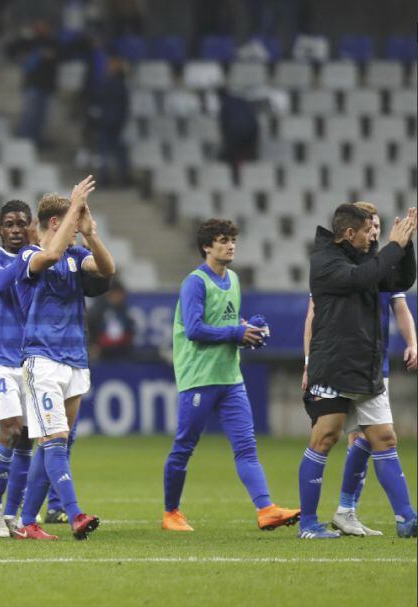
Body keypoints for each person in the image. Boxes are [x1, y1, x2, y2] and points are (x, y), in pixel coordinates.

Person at [162, 219, 301, 532]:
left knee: (246, 447)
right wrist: (236, 333)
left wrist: (248, 329)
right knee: (184, 447)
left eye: (233, 240)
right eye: (223, 240)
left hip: (230, 377)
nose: (230, 245)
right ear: (207, 247)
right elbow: (195, 329)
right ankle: (171, 513)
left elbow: (227, 320)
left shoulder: (234, 279)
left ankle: (266, 509)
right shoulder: (195, 283)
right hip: (198, 377)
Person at [299, 203, 417, 539]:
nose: (374, 236)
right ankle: (309, 524)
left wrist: (405, 247)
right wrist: (393, 246)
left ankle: (407, 519)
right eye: (368, 231)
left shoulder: (369, 257)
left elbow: (400, 280)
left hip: (366, 367)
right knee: (325, 438)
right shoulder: (324, 261)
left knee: (384, 438)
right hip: (334, 364)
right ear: (349, 233)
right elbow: (360, 279)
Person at [14, 178, 113, 541]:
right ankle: (75, 514)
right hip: (42, 359)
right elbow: (50, 255)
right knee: (55, 438)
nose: (75, 231)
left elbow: (107, 269)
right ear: (55, 224)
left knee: (55, 442)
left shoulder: (75, 254)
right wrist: (73, 208)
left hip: (75, 359)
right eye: (71, 224)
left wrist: (90, 234)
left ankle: (26, 522)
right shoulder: (28, 256)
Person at [0, 200, 36, 537]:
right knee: (11, 430)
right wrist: (29, 257)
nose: (16, 230)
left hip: (31, 359)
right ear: (0, 229)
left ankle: (13, 514)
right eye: (10, 224)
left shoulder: (36, 260)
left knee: (28, 440)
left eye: (22, 224)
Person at [6, 19, 61, 145]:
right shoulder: (29, 41)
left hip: (47, 83)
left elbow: (61, 55)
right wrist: (20, 58)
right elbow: (11, 49)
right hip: (32, 83)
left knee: (42, 115)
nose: (42, 28)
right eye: (40, 26)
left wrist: (52, 55)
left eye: (45, 26)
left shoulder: (53, 42)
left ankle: (37, 138)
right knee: (29, 113)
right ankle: (24, 138)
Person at [89, 56, 130, 187]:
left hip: (109, 122)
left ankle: (111, 176)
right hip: (112, 122)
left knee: (107, 151)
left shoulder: (111, 84)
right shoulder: (118, 84)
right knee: (111, 151)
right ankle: (117, 176)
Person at [87, 277, 135, 360]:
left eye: (119, 294)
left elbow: (130, 331)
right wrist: (92, 345)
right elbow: (90, 330)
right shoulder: (97, 311)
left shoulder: (125, 313)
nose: (117, 297)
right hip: (101, 351)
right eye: (115, 294)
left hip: (122, 350)